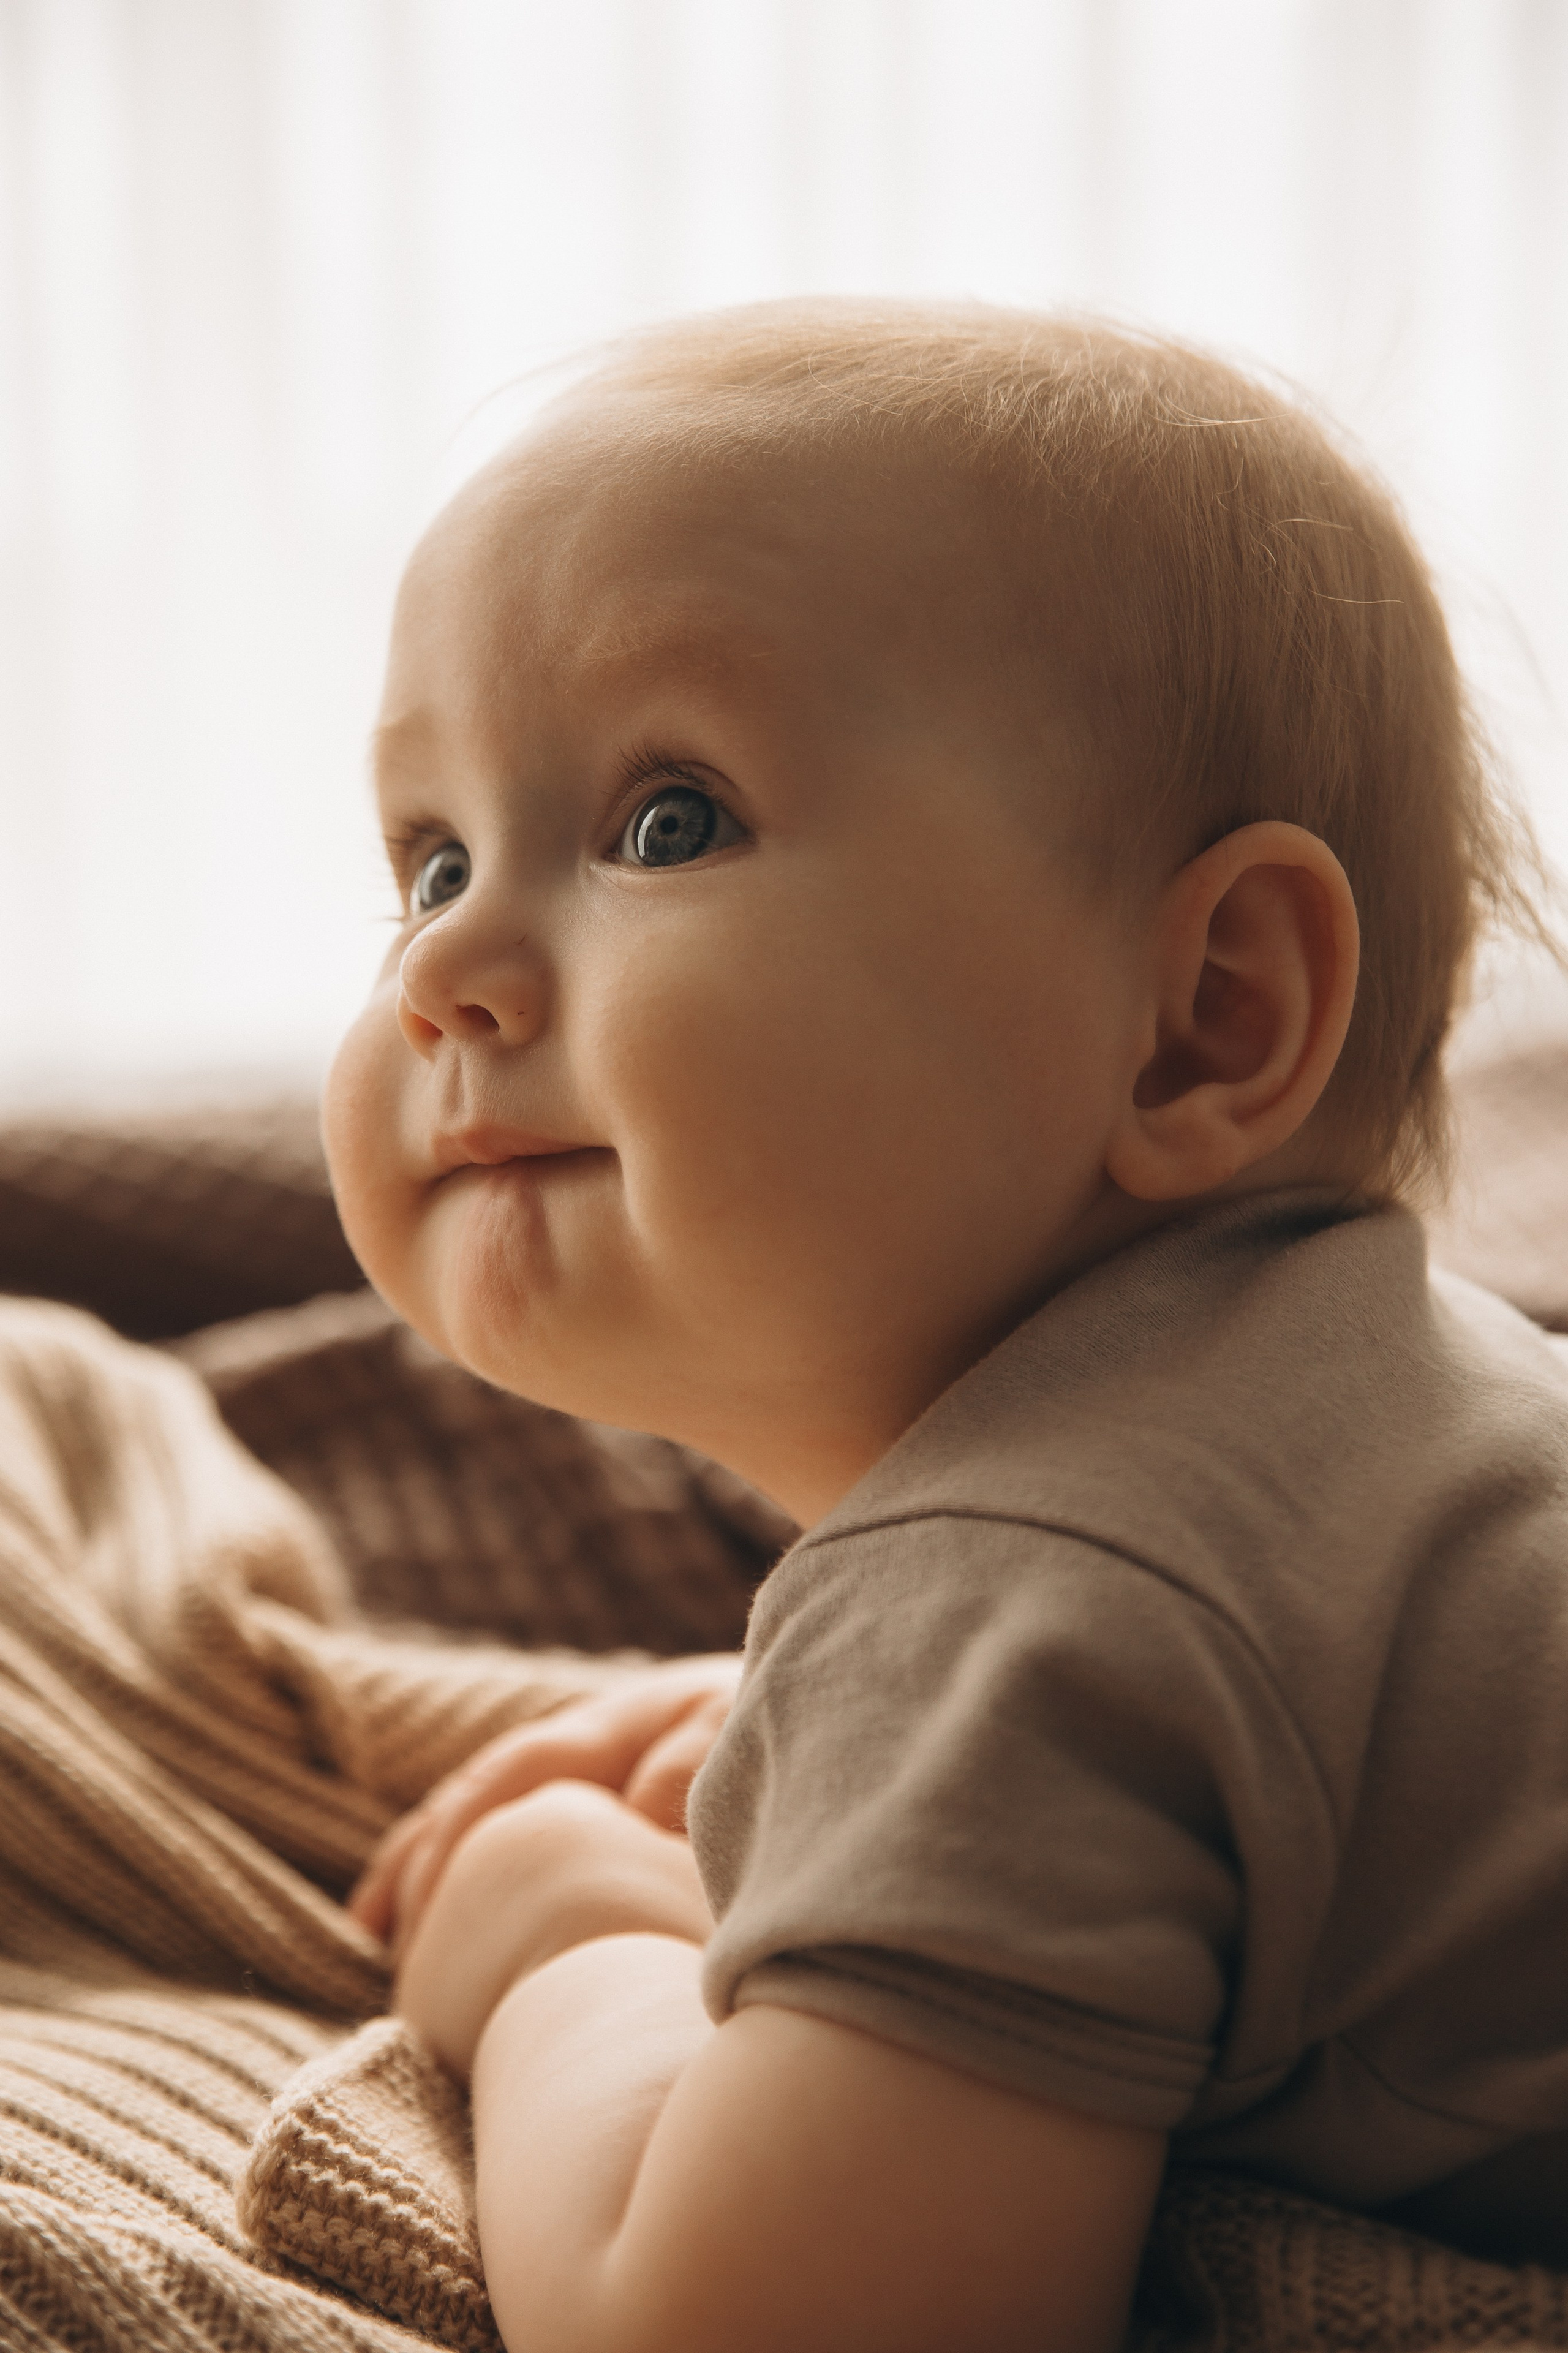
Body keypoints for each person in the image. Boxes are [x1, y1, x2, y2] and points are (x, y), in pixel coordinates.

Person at [325, 301, 1568, 2353]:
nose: (445, 962)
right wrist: (798, 1759)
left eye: (668, 821)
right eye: (430, 855)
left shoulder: (1020, 1604)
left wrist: (568, 1942)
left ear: (1209, 1016)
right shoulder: (1342, 1426)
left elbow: (734, 2328)